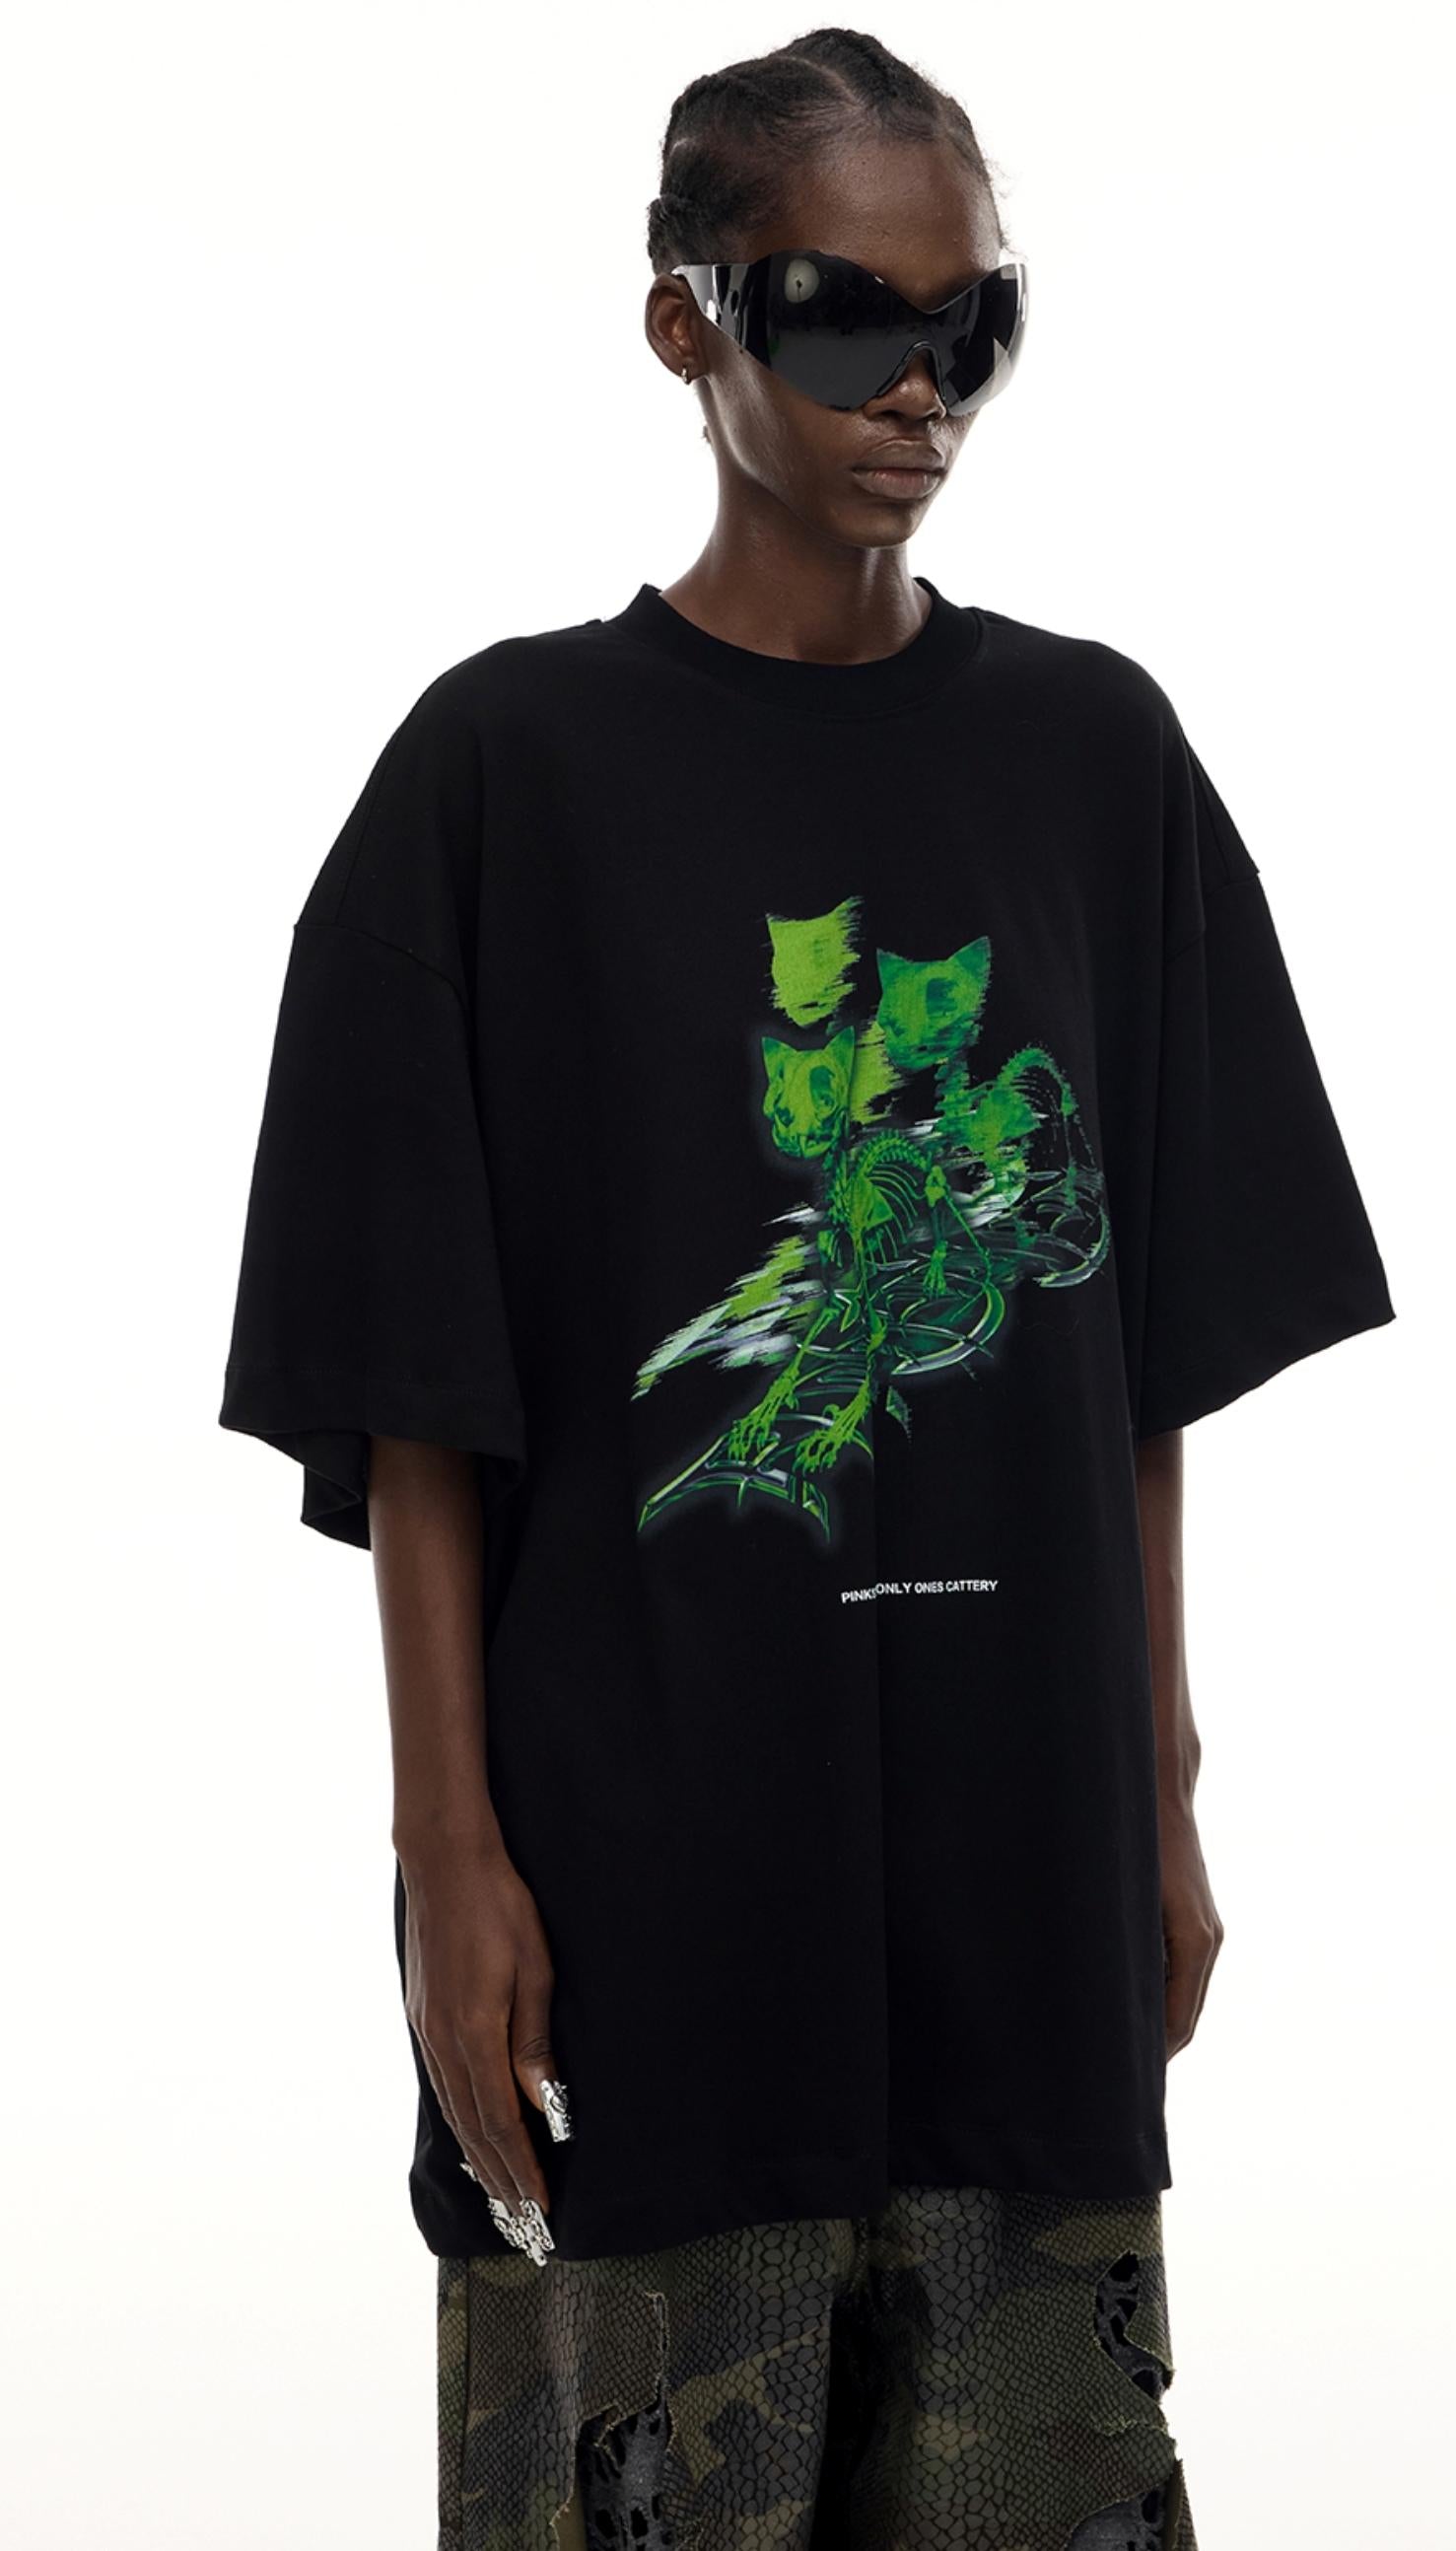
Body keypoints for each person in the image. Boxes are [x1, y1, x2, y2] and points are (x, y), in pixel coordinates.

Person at [218, 28, 1395, 2551]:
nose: (916, 389)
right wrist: (445, 1855)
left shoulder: (1092, 755)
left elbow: (1138, 1351)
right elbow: (417, 1395)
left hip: (1014, 1867)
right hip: (642, 1875)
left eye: (973, 324)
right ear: (685, 323)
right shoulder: (500, 775)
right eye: (843, 315)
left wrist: (1157, 1787)